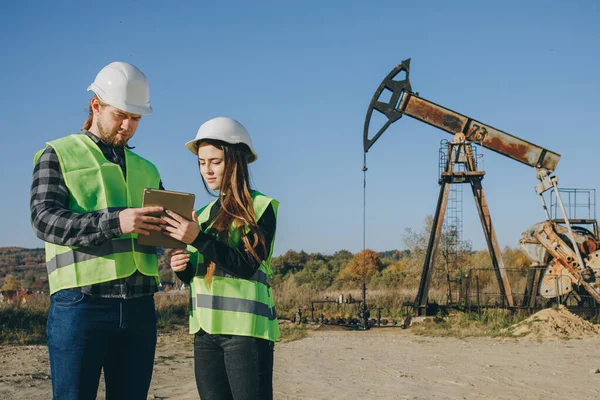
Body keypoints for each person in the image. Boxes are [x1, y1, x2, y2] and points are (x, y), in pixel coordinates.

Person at [30, 61, 165, 400]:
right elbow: (44, 219)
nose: (127, 126)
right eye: (121, 115)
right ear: (96, 106)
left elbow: (152, 236)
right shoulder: (58, 154)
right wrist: (117, 221)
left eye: (135, 119)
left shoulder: (147, 170)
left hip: (139, 307)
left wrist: (175, 237)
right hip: (81, 305)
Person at [163, 116, 279, 400]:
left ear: (236, 160)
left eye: (215, 161)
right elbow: (197, 274)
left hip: (246, 334)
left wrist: (198, 239)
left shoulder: (261, 207)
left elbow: (247, 265)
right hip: (205, 332)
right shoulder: (200, 215)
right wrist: (182, 268)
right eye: (202, 163)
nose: (207, 170)